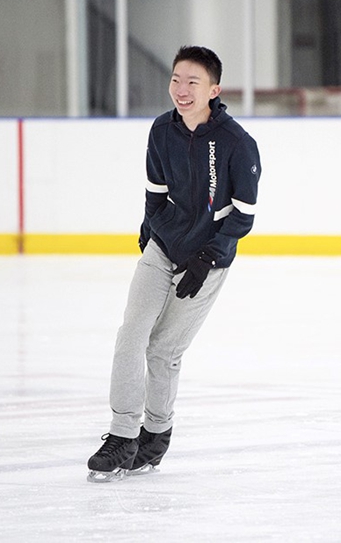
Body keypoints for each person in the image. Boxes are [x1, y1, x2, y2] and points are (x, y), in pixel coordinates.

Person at [87, 45, 261, 482]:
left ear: (214, 89)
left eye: (193, 82)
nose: (181, 90)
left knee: (163, 350)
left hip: (208, 259)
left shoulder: (238, 144)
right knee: (131, 336)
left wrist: (206, 258)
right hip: (163, 249)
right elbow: (154, 195)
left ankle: (156, 436)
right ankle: (123, 436)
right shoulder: (161, 131)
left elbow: (243, 216)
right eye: (176, 80)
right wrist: (152, 233)